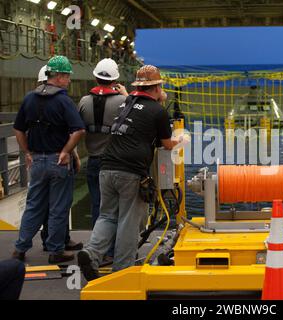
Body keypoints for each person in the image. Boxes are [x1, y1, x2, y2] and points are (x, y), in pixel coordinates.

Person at [77, 65, 179, 280]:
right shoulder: (158, 111)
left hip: (106, 168)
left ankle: (92, 252)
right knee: (128, 222)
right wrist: (182, 140)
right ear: (157, 87)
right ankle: (122, 272)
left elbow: (139, 110)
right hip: (131, 172)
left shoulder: (126, 104)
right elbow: (167, 144)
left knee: (107, 216)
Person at [12, 56, 85, 264]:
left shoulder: (29, 98)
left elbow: (18, 129)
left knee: (34, 205)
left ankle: (20, 248)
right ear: (59, 76)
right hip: (58, 161)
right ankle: (55, 251)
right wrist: (66, 151)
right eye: (68, 76)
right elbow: (78, 129)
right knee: (58, 208)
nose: (69, 80)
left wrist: (27, 152)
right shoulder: (63, 101)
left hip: (36, 161)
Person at [77, 58, 128, 260]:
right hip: (115, 162)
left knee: (97, 205)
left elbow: (76, 128)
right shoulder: (122, 102)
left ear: (95, 77)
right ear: (115, 80)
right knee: (115, 208)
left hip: (93, 160)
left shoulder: (84, 101)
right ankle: (113, 251)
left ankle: (97, 249)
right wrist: (125, 94)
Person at [36, 65, 84, 253]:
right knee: (60, 204)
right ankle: (57, 241)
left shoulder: (33, 102)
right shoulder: (60, 102)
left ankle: (53, 239)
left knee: (47, 204)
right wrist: (73, 155)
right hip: (59, 159)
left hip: (42, 160)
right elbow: (71, 132)